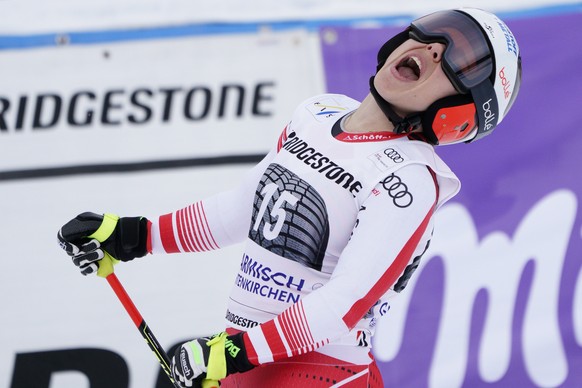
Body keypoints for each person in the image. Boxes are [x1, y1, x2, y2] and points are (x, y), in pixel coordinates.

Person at [57, 7, 522, 388]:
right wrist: (134, 236)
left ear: (460, 113)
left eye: (462, 62)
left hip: (319, 372)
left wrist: (233, 353)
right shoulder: (318, 114)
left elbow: (345, 303)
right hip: (248, 363)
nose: (434, 47)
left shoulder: (411, 180)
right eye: (437, 32)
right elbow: (242, 208)